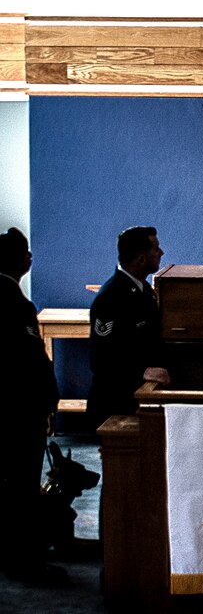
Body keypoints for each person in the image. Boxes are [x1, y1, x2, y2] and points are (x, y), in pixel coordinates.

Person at [1, 226, 66, 585]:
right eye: (26, 251)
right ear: (20, 260)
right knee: (23, 487)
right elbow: (30, 361)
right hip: (20, 411)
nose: (31, 256)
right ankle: (24, 562)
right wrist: (48, 398)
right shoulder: (15, 304)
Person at [87, 226, 171, 432]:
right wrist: (142, 372)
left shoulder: (145, 292)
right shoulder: (110, 298)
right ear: (141, 259)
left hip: (140, 397)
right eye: (156, 249)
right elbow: (101, 360)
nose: (161, 253)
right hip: (116, 402)